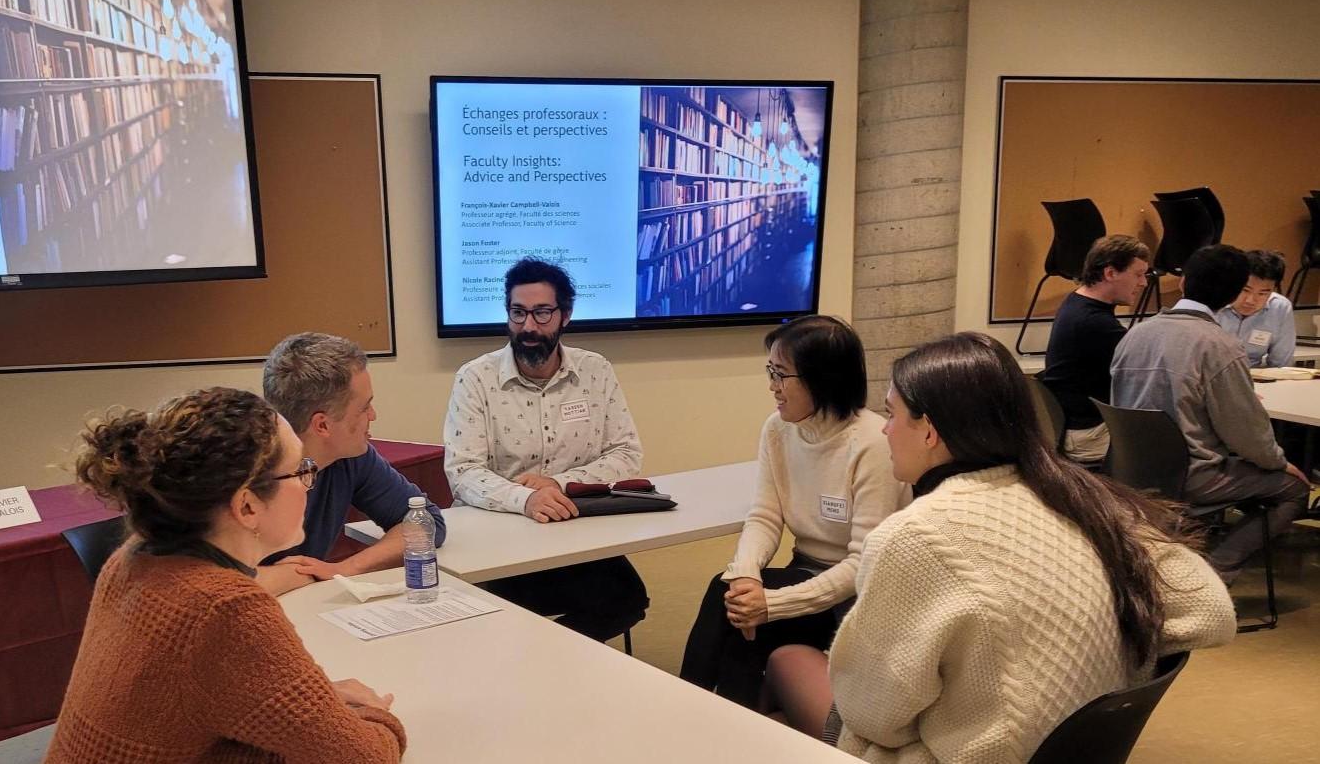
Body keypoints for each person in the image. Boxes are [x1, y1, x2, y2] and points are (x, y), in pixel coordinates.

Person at [764, 333, 1236, 763]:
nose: (884, 430)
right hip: (1069, 748)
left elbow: (875, 716)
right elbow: (1211, 611)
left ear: (929, 430)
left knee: (786, 659)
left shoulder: (917, 537)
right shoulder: (1087, 498)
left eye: (891, 414)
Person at [45, 388, 406, 763]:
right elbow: (365, 757)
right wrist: (375, 714)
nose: (306, 483)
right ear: (247, 506)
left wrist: (314, 705)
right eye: (301, 471)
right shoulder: (225, 609)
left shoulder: (133, 557)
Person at [678, 316, 909, 708]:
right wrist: (747, 577)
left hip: (857, 598)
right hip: (804, 572)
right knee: (732, 596)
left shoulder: (873, 443)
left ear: (821, 378)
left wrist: (772, 604)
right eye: (771, 372)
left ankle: (697, 718)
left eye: (780, 374)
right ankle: (701, 718)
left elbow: (862, 566)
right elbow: (765, 515)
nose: (772, 386)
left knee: (743, 617)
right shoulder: (778, 429)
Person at [444, 257, 648, 641]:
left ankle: (545, 664)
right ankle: (535, 666)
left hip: (575, 531)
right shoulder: (475, 378)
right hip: (499, 538)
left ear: (565, 315)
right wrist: (525, 499)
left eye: (541, 313)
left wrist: (556, 484)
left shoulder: (595, 370)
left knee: (627, 599)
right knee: (501, 620)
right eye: (518, 313)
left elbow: (625, 453)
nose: (528, 327)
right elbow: (463, 471)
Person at [1112, 244, 1311, 583]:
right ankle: (1214, 572)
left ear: (1184, 283)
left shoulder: (1135, 334)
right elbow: (1246, 431)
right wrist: (1280, 462)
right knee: (1295, 488)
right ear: (1234, 294)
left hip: (1128, 469)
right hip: (1192, 475)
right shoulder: (1218, 345)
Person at [259, 332, 446, 596]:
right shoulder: (237, 469)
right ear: (322, 425)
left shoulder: (351, 457)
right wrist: (295, 575)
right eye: (363, 408)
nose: (373, 415)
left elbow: (425, 522)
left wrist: (348, 568)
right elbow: (204, 582)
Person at [1039, 234, 1149, 463]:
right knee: (1175, 443)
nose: (1144, 283)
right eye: (1138, 274)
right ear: (1110, 273)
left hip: (1069, 425)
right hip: (1087, 435)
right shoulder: (1095, 323)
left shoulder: (1076, 302)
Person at [1215, 249, 1296, 368]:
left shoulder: (1280, 308)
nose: (1250, 301)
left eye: (1262, 293)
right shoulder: (1212, 301)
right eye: (1245, 290)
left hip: (1253, 378)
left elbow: (1281, 365)